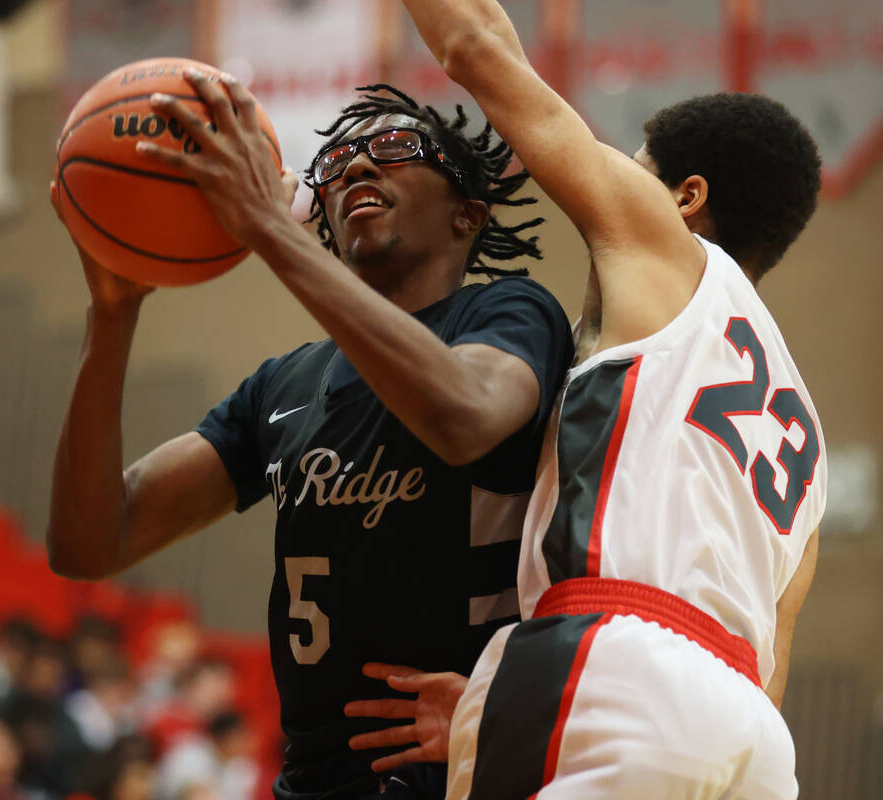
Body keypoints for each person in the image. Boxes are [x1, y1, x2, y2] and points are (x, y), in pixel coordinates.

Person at [46, 74, 574, 800]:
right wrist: (112, 316)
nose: (356, 165)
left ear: (468, 214)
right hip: (308, 780)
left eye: (393, 146)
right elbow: (91, 542)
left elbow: (467, 415)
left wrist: (266, 230)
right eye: (335, 163)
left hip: (453, 772)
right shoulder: (283, 386)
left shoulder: (510, 313)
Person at [345, 4, 827, 799]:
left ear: (685, 196)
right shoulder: (802, 435)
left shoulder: (669, 251)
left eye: (634, 163)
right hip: (753, 736)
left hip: (607, 661)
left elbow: (477, 45)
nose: (611, 178)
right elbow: (754, 672)